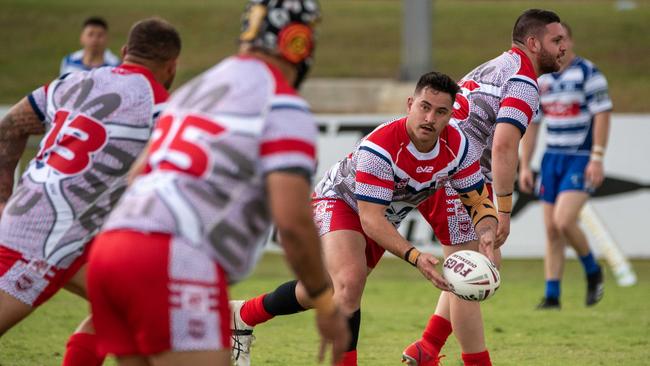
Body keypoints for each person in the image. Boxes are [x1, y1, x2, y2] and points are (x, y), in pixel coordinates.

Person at [85, 1, 351, 366]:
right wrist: (323, 302)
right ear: (298, 42)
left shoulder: (194, 89)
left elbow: (136, 175)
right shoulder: (282, 105)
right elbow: (291, 223)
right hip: (173, 256)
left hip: (111, 247)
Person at [230, 71, 500, 366]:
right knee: (348, 282)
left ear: (450, 115)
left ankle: (243, 314)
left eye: (440, 112)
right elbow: (370, 220)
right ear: (410, 104)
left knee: (327, 289)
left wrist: (487, 229)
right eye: (424, 107)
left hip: (383, 214)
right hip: (340, 201)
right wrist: (415, 256)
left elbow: (477, 200)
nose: (430, 118)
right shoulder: (381, 148)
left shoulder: (457, 146)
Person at [0, 17, 180, 366]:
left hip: (54, 226)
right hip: (44, 238)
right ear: (172, 66)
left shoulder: (71, 82)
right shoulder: (161, 110)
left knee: (133, 303)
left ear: (125, 52)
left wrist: (3, 199)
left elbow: (8, 128)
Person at [402, 9, 566, 366]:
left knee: (477, 267)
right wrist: (502, 213)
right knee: (472, 274)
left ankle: (427, 347)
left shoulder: (493, 66)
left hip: (446, 174)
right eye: (557, 40)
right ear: (533, 43)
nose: (563, 48)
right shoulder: (523, 80)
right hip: (456, 180)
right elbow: (504, 146)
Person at [519, 22, 610, 309]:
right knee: (551, 229)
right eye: (553, 41)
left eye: (563, 40)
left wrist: (597, 156)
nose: (560, 46)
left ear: (569, 41)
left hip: (579, 157)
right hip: (551, 158)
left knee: (564, 219)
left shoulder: (589, 73)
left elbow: (602, 116)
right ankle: (552, 295)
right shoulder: (542, 80)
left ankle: (593, 271)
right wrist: (525, 165)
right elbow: (533, 125)